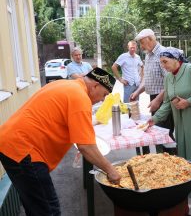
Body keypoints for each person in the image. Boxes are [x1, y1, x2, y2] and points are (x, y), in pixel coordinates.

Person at [0, 67, 121, 216]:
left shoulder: (65, 85)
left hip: (11, 143)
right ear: (95, 85)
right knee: (48, 210)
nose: (102, 100)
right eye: (104, 95)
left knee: (37, 206)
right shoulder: (80, 97)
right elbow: (86, 146)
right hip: (24, 150)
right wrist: (110, 170)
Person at [148, 47, 191, 198]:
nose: (163, 65)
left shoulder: (190, 69)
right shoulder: (168, 77)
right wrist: (154, 119)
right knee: (186, 152)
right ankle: (190, 181)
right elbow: (167, 103)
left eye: (165, 62)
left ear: (176, 60)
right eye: (161, 62)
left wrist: (189, 101)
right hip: (180, 122)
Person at [130, 29, 175, 154]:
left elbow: (170, 82)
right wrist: (137, 92)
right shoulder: (148, 55)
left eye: (142, 43)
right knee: (157, 132)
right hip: (154, 99)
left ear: (150, 39)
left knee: (165, 133)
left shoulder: (163, 53)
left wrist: (157, 100)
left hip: (163, 99)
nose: (141, 46)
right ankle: (162, 160)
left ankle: (172, 162)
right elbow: (147, 78)